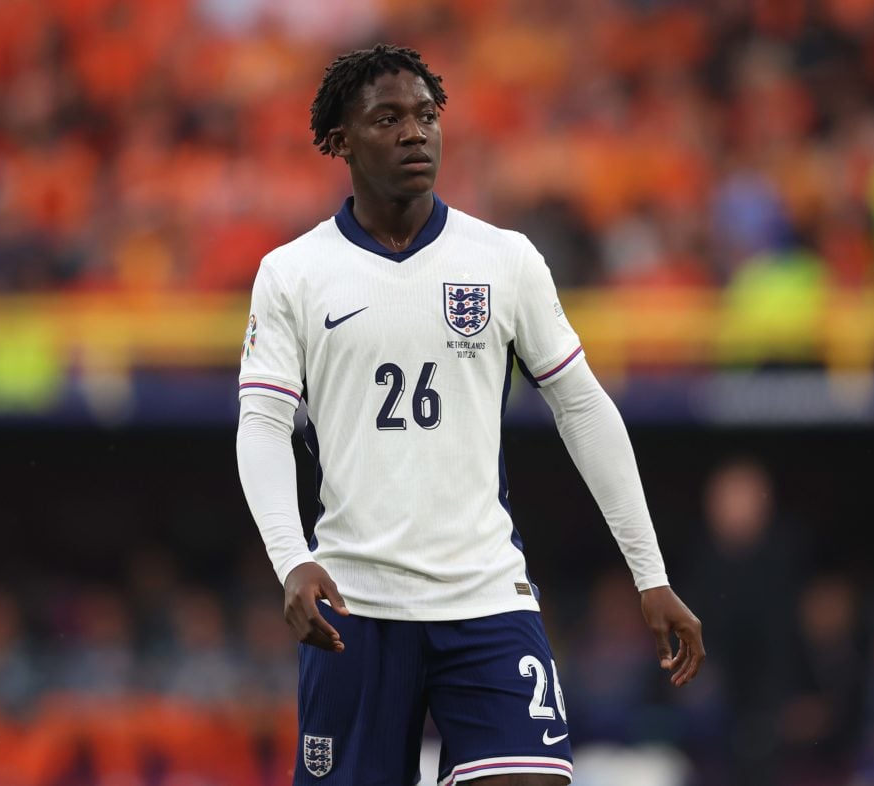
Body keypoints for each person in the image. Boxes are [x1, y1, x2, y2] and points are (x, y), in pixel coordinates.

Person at [236, 44, 704, 786]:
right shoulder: (293, 274)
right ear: (339, 142)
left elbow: (582, 405)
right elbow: (262, 425)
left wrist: (650, 574)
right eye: (387, 118)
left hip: (486, 598)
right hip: (357, 607)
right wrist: (291, 558)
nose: (415, 133)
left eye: (425, 115)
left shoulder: (504, 260)